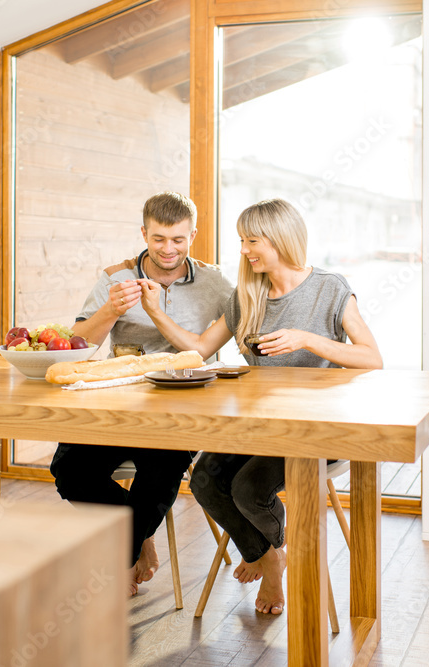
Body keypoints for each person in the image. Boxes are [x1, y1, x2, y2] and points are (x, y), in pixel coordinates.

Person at [138, 197, 382, 615]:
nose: (245, 250)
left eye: (253, 240)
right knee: (205, 483)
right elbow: (200, 349)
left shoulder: (329, 288)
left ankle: (269, 558)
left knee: (248, 489)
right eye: (242, 241)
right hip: (257, 427)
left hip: (317, 430)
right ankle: (270, 556)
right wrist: (155, 314)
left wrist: (306, 339)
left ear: (280, 239)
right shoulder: (246, 295)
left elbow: (372, 357)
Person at [49, 192, 234, 597]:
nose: (169, 249)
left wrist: (155, 312)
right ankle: (140, 541)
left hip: (183, 409)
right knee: (69, 471)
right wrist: (110, 311)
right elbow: (77, 344)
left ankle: (123, 555)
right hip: (118, 405)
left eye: (178, 240)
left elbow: (209, 345)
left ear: (193, 235)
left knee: (159, 475)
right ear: (144, 233)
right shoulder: (115, 278)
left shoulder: (216, 282)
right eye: (159, 239)